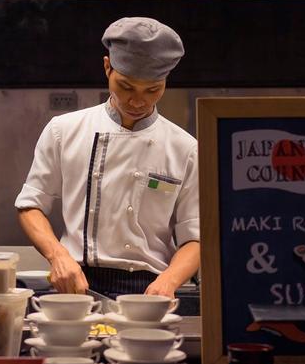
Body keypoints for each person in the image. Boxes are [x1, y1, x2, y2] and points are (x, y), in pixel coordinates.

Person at [15, 17, 199, 299]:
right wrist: (58, 256)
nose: (138, 101)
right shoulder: (64, 130)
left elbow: (196, 236)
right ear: (106, 67)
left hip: (150, 290)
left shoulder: (185, 148)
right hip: (75, 284)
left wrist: (170, 281)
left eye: (153, 90)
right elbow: (30, 205)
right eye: (126, 87)